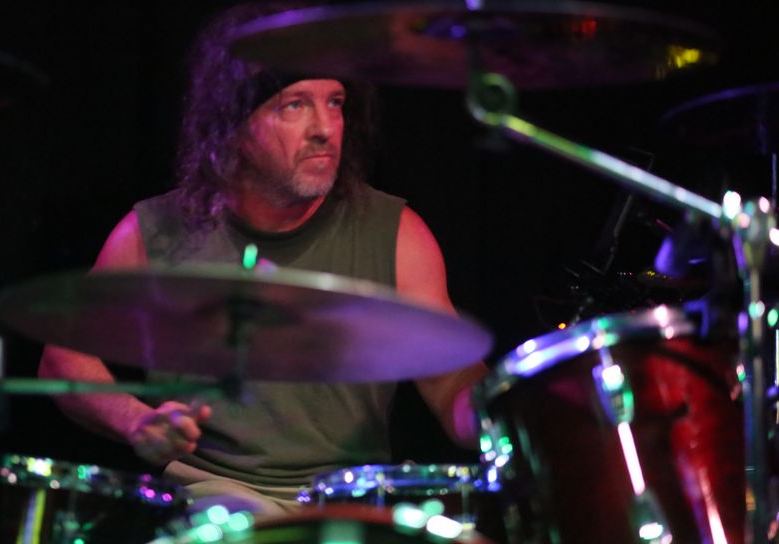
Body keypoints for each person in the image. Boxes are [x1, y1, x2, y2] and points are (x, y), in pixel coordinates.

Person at [39, 3, 486, 516]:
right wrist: (136, 421)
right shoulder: (155, 232)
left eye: (335, 102)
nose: (325, 129)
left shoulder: (396, 233)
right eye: (295, 105)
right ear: (233, 126)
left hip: (349, 503)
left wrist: (506, 411)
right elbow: (63, 356)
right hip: (213, 497)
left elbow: (450, 382)